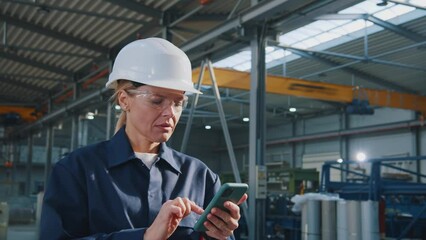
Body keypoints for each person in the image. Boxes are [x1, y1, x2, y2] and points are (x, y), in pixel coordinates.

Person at [39, 37, 248, 240]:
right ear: (124, 100)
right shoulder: (77, 171)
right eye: (157, 100)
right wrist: (145, 236)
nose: (170, 113)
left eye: (178, 102)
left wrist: (219, 236)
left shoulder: (201, 177)